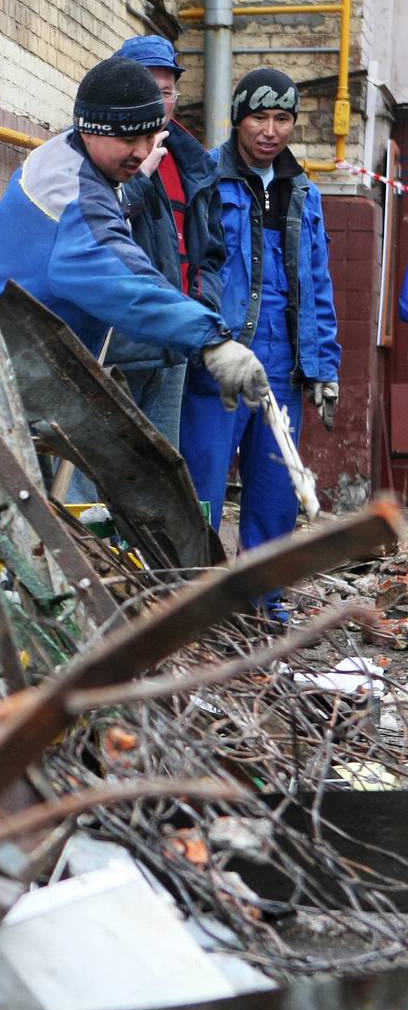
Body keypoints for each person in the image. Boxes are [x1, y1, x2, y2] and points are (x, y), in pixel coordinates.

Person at [0, 56, 268, 446]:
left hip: (6, 365)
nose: (144, 152)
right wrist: (211, 339)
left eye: (151, 136)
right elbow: (123, 279)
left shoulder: (67, 157)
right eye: (129, 139)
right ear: (91, 131)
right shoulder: (74, 194)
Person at [180, 68, 341, 622]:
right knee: (199, 484)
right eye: (259, 117)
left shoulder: (304, 192)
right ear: (237, 118)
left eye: (282, 119)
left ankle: (263, 608)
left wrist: (323, 365)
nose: (270, 131)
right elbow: (191, 270)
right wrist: (205, 341)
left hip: (283, 367)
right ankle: (190, 604)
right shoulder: (208, 179)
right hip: (221, 363)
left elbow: (317, 283)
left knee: (275, 495)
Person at [106, 35, 227, 447]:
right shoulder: (98, 149)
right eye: (146, 91)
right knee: (98, 475)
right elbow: (95, 226)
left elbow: (210, 253)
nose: (159, 104)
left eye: (166, 92)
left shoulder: (192, 161)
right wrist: (140, 176)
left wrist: (200, 310)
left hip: (172, 344)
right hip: (115, 345)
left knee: (160, 467)